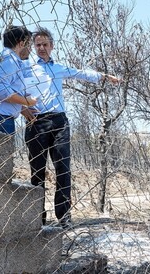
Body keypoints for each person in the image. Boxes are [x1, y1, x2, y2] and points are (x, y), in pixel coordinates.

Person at [24, 27, 119, 229]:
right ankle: (36, 217)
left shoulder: (58, 68)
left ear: (52, 46)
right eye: (38, 45)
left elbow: (81, 73)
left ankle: (64, 216)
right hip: (36, 122)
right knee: (37, 171)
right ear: (34, 47)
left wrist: (103, 76)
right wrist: (24, 109)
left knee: (63, 169)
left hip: (59, 122)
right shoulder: (26, 68)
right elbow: (14, 90)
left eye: (45, 44)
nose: (41, 48)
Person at [0, 26, 37, 135]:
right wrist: (26, 101)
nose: (30, 50)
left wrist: (21, 107)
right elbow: (0, 90)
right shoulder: (10, 61)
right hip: (0, 119)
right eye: (29, 45)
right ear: (21, 44)